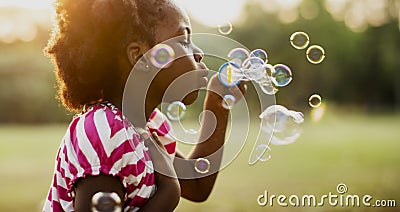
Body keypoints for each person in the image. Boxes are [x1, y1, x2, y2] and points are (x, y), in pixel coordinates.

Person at [43, 0, 246, 211]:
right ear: (141, 56)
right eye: (184, 40)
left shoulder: (150, 126)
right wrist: (170, 191)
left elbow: (196, 185)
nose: (198, 52)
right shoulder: (105, 132)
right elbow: (181, 187)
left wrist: (217, 106)